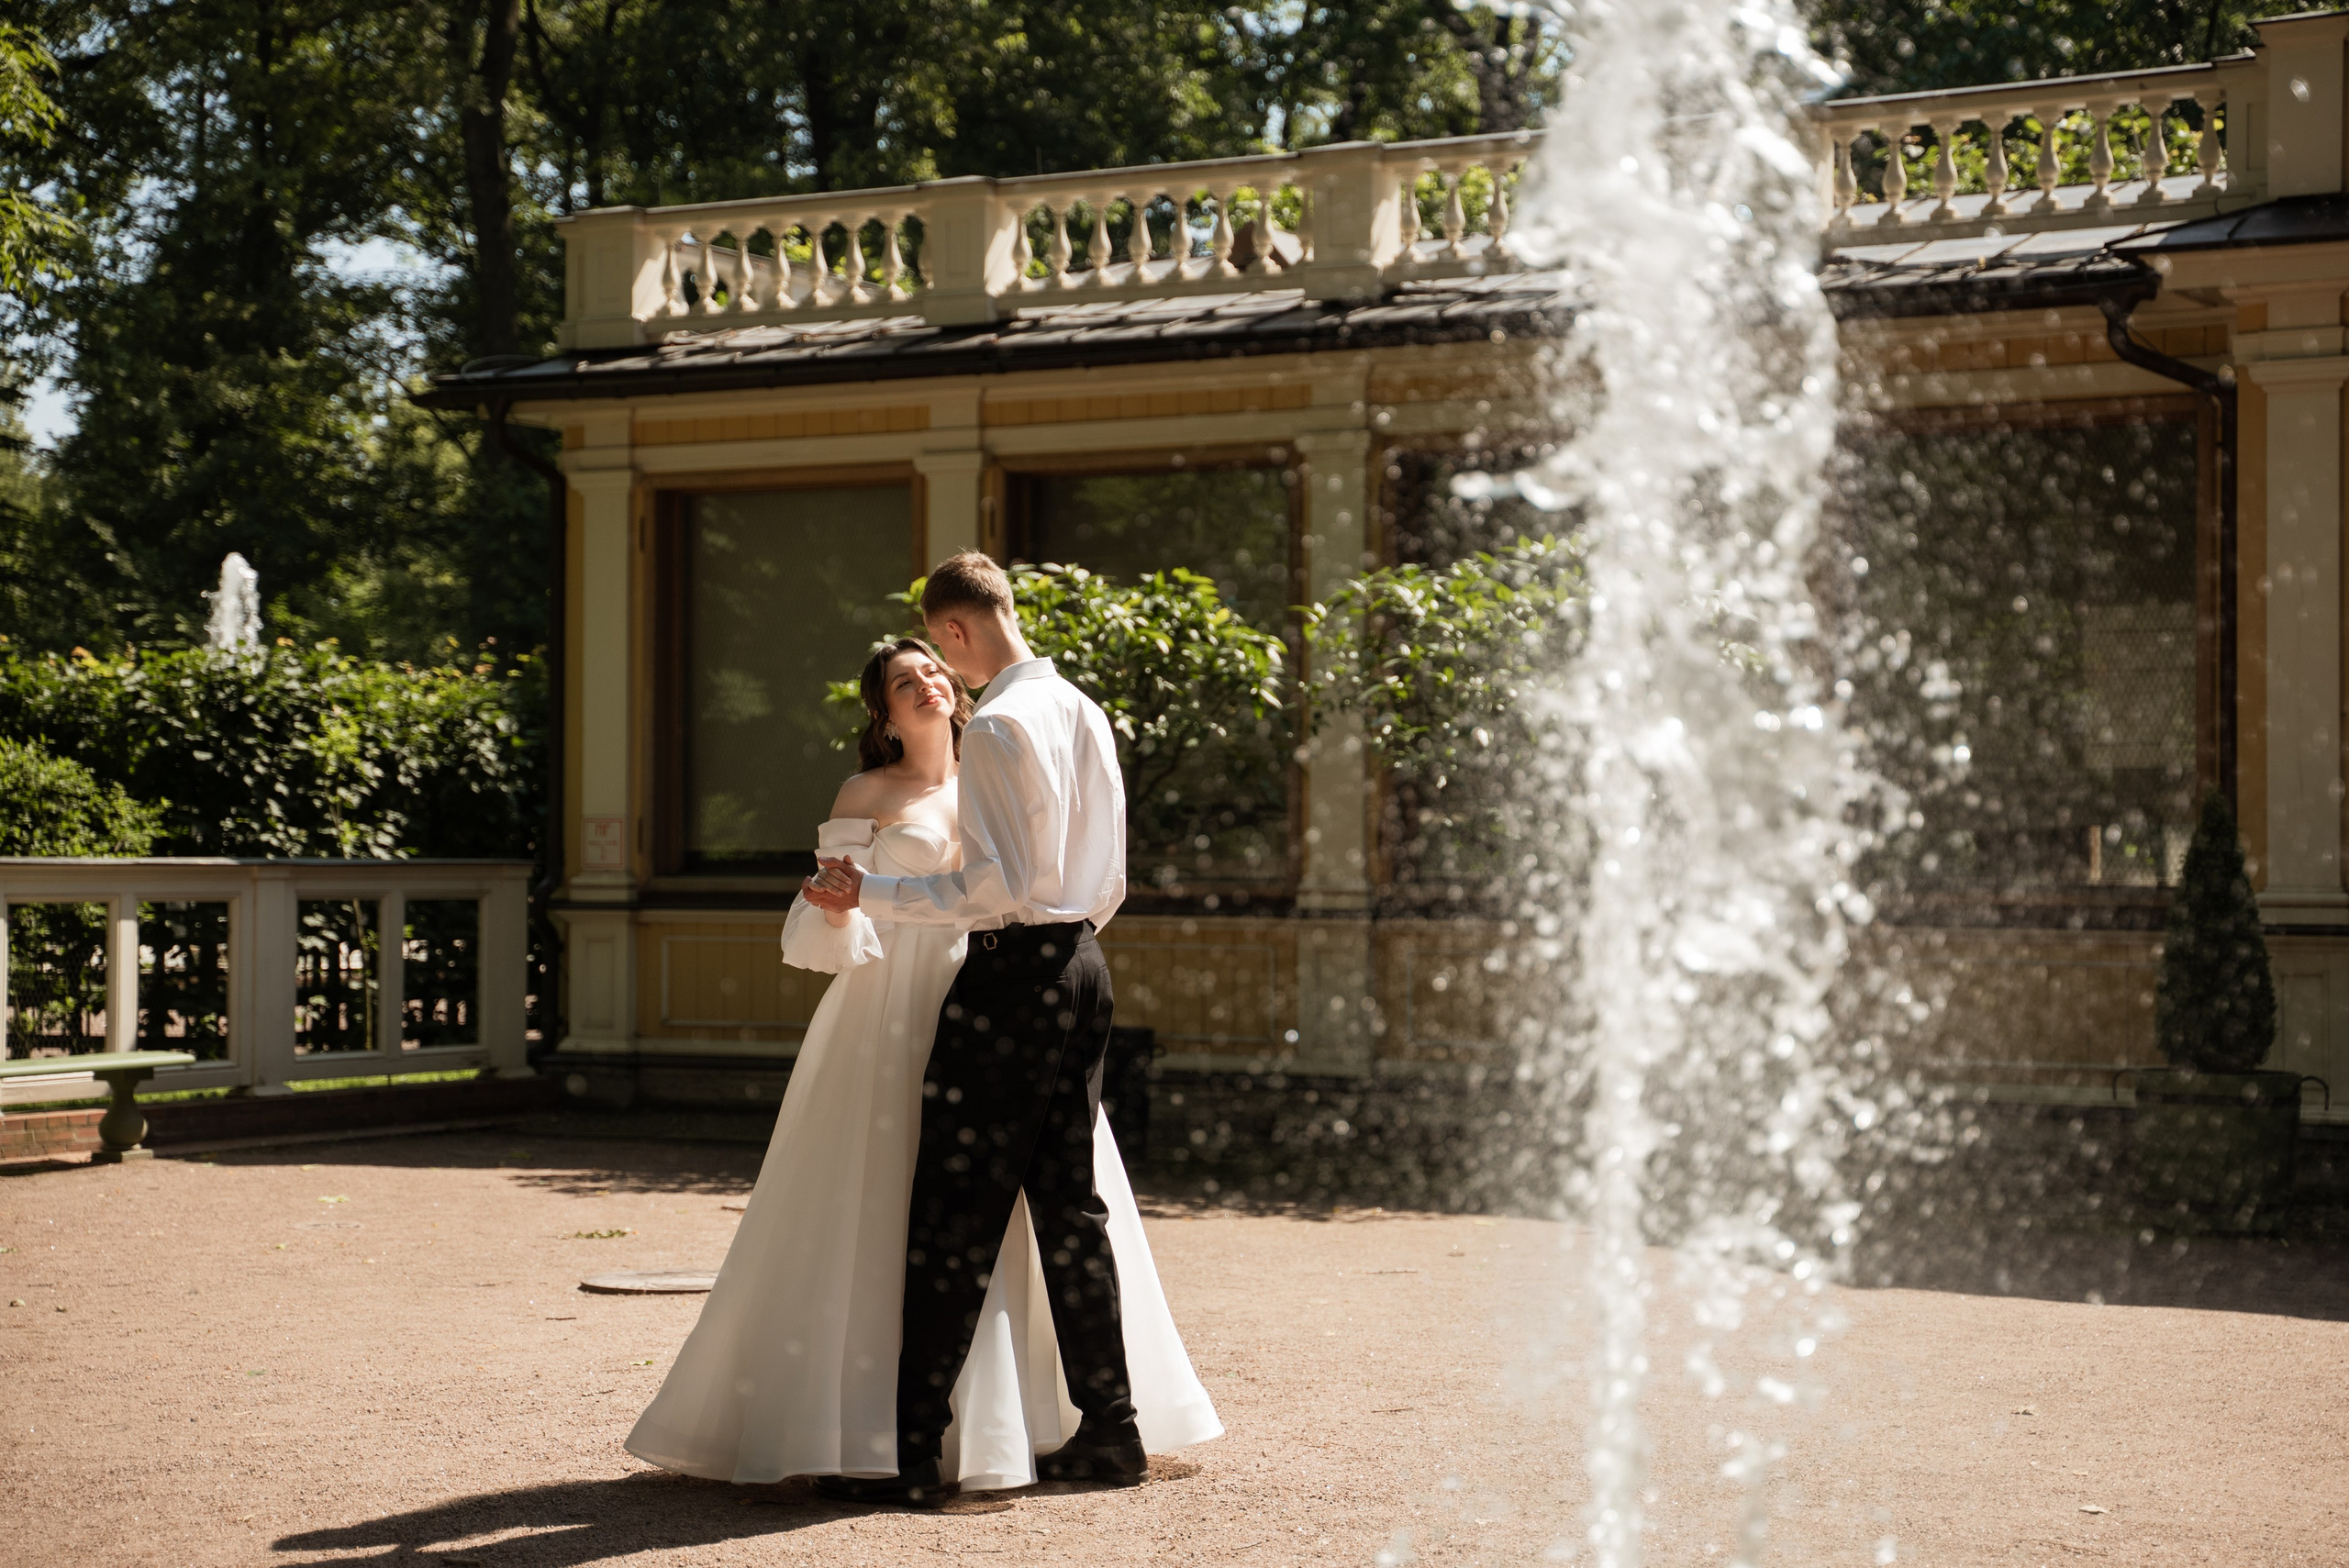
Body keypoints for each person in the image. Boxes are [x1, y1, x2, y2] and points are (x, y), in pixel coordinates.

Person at [625, 628, 1219, 1494]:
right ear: (885, 713)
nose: (930, 683)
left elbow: (1041, 886)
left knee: (1027, 1208)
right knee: (900, 1209)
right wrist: (837, 908)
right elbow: (819, 925)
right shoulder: (867, 790)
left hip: (999, 1001)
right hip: (892, 1010)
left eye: (934, 669)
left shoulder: (1001, 752)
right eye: (907, 682)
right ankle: (877, 1427)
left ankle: (1018, 1423)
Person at [802, 551, 1174, 1507]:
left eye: (940, 648)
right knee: (1068, 1203)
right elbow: (1111, 873)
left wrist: (873, 891)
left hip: (1010, 975)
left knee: (953, 1214)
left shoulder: (1002, 724)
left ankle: (913, 1454)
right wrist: (1068, 942)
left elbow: (995, 885)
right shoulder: (1082, 709)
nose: (941, 670)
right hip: (1082, 964)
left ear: (957, 631)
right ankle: (1112, 1428)